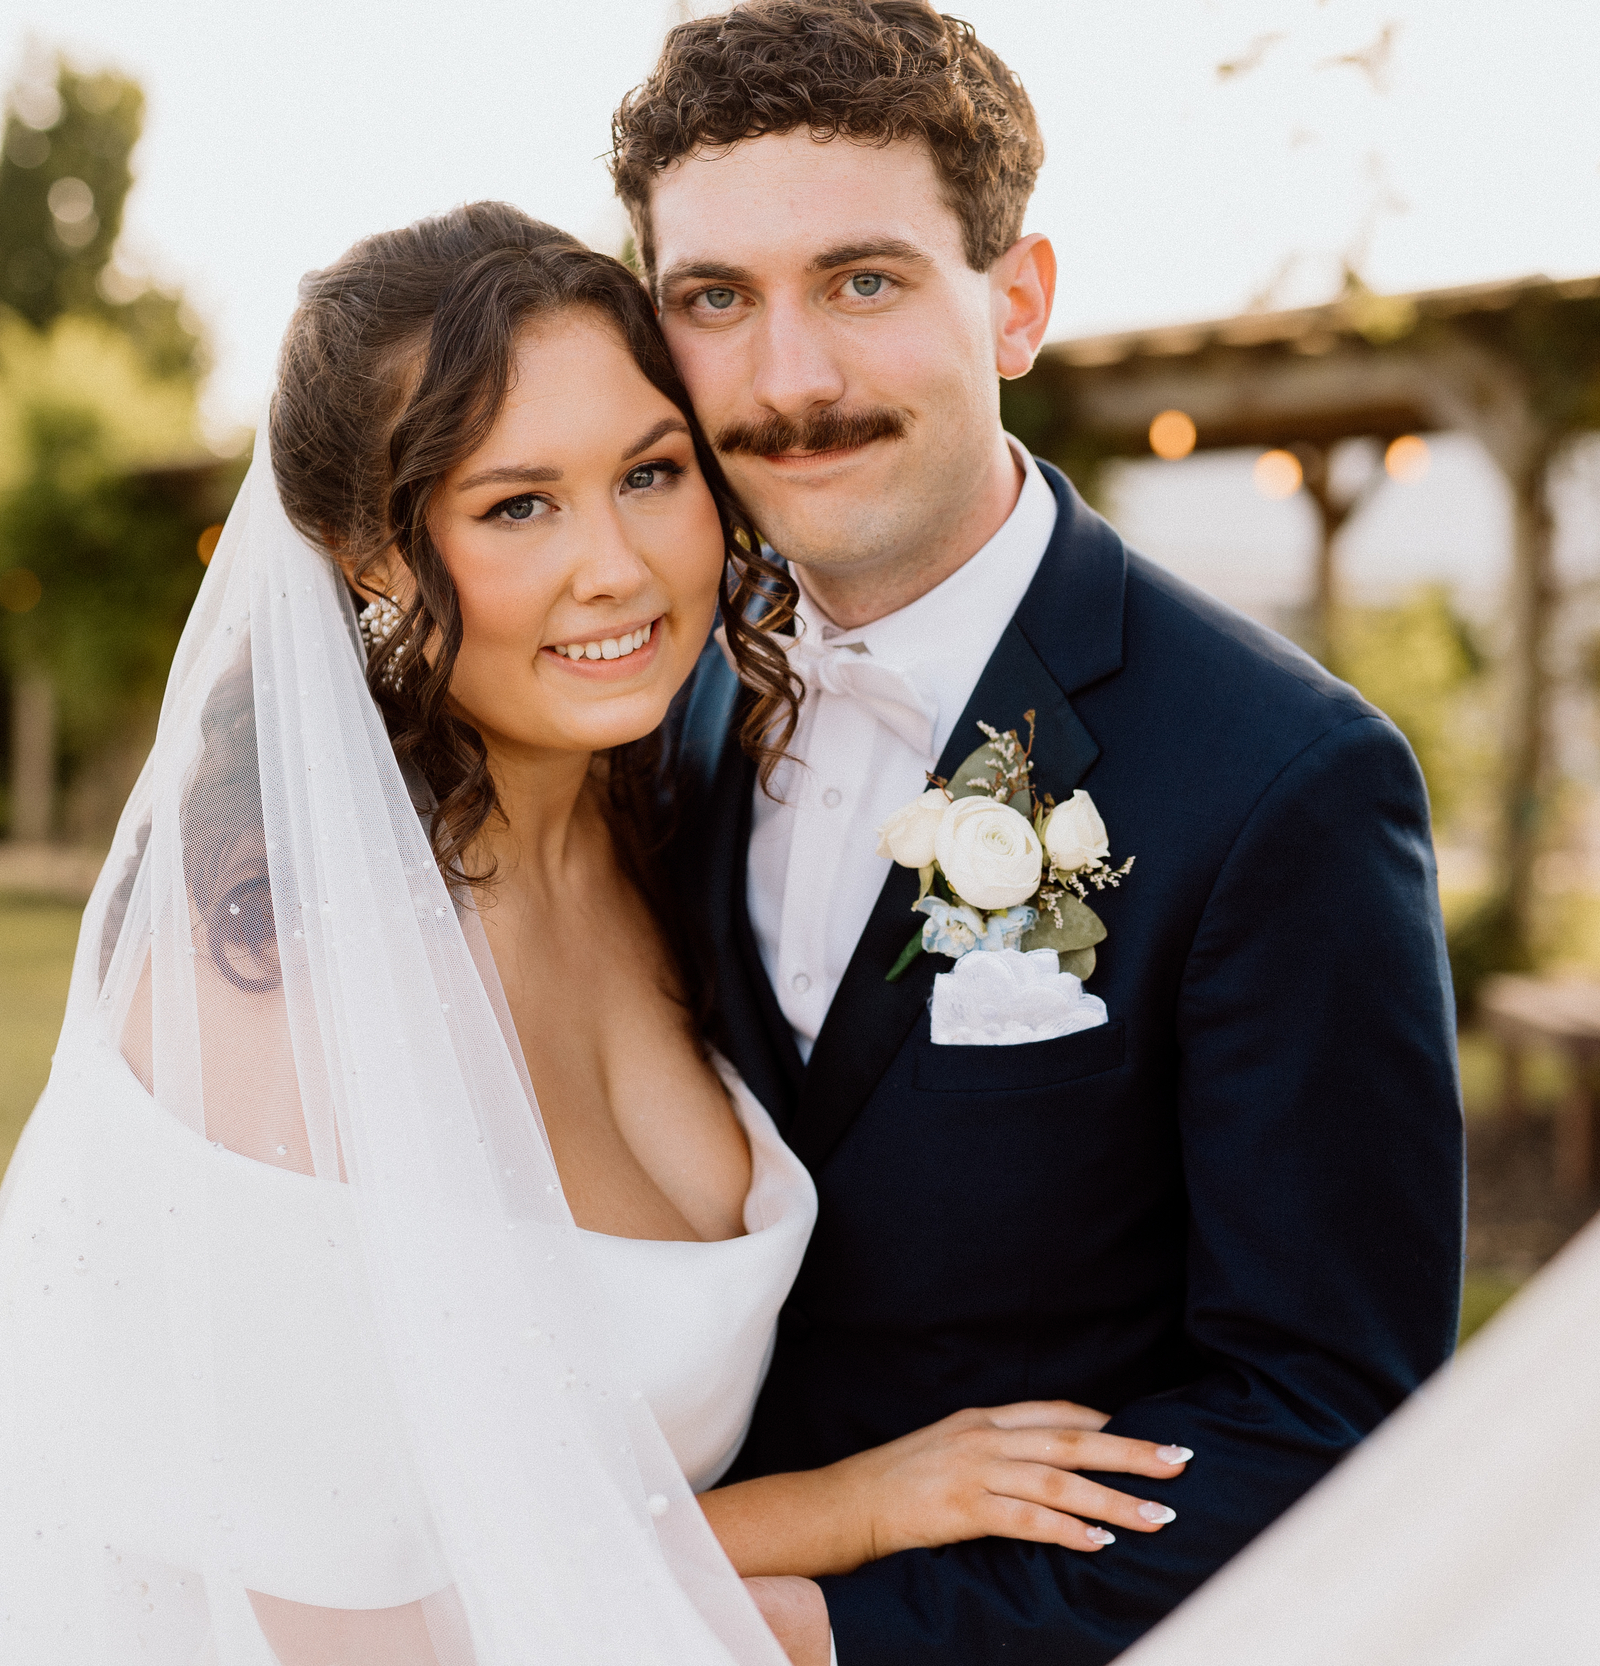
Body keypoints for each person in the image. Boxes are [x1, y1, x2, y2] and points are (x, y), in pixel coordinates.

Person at [0, 204, 1186, 1666]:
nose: (614, 566)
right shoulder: (270, 984)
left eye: (650, 473)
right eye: (517, 506)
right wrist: (849, 1510)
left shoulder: (680, 832)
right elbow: (333, 1627)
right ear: (366, 553)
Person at [612, 3, 1468, 1661]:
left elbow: (1326, 1417)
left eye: (863, 280)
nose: (790, 380)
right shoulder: (652, 705)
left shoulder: (1282, 782)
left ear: (1016, 303)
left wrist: (832, 1628)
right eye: (715, 300)